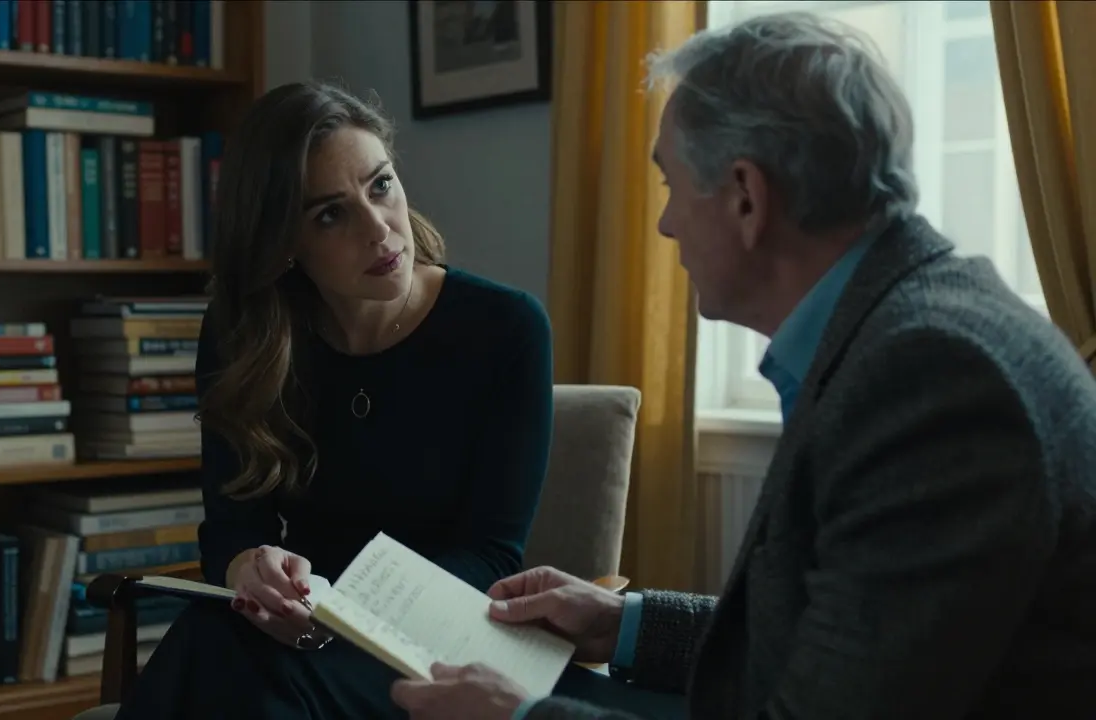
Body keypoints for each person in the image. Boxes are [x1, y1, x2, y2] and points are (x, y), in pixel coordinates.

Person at [389, 11, 1096, 720]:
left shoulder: (932, 378)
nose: (665, 224)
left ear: (747, 198)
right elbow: (830, 630)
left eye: (669, 185)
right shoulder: (901, 325)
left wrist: (517, 719)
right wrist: (618, 620)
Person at [112, 80, 558, 719]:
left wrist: (342, 606)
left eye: (381, 185)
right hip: (296, 623)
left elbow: (490, 554)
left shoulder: (505, 328)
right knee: (218, 635)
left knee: (233, 666)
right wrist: (250, 570)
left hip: (437, 639)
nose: (379, 230)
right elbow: (234, 524)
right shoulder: (246, 333)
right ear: (282, 244)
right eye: (330, 214)